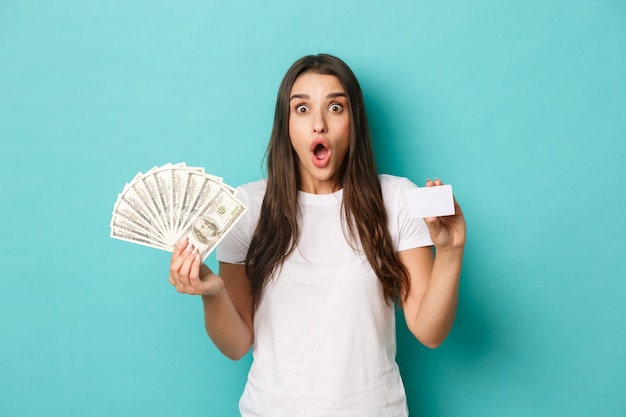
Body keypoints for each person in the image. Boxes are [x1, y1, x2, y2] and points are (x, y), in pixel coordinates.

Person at [169, 54, 466, 416]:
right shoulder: (245, 207)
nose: (319, 125)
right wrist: (212, 293)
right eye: (302, 109)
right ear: (286, 125)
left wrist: (450, 253)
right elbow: (236, 344)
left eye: (336, 107)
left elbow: (429, 331)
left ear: (354, 122)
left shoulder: (398, 198)